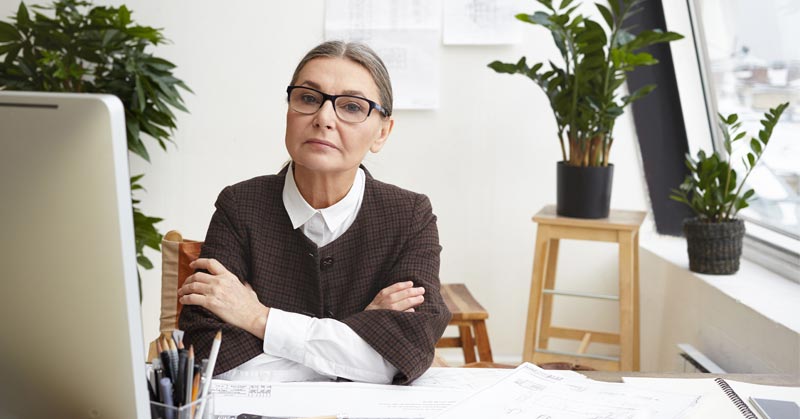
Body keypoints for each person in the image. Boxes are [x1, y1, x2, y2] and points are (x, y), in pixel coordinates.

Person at [178, 41, 451, 385]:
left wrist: (258, 318)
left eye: (352, 106)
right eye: (308, 98)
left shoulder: (410, 215)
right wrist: (357, 343)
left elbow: (407, 354)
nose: (324, 118)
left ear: (382, 132)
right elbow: (211, 356)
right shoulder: (239, 206)